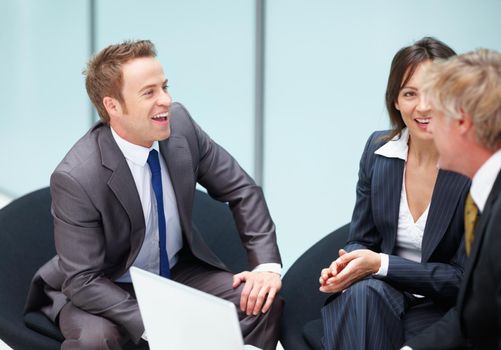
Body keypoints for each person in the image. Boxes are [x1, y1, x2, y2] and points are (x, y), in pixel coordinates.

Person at [24, 40, 283, 350]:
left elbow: (242, 189)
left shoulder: (180, 125)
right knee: (97, 340)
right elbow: (82, 280)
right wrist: (159, 324)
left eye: (164, 86)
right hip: (102, 285)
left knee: (260, 301)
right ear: (113, 106)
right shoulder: (77, 176)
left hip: (175, 272)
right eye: (149, 93)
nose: (166, 100)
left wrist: (265, 267)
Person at [318, 37, 471, 350]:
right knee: (361, 296)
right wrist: (348, 264)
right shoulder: (378, 151)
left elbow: (463, 279)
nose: (423, 106)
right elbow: (362, 238)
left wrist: (379, 264)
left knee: (364, 318)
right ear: (396, 101)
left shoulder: (472, 166)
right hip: (385, 293)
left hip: (444, 305)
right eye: (410, 93)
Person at [403, 48, 501, 349]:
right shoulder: (486, 195)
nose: (428, 127)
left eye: (436, 115)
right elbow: (476, 317)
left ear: (461, 123)